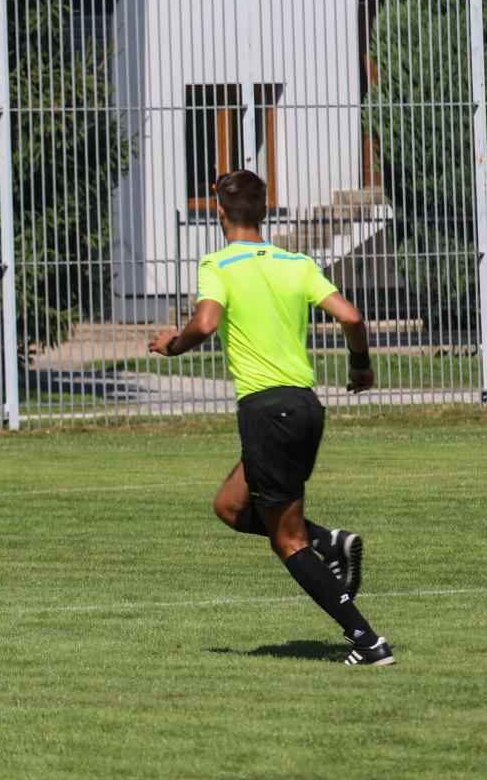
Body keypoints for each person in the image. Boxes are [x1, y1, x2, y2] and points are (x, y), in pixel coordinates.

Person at [149, 169, 392, 665]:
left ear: (219, 213)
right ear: (265, 212)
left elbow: (207, 321)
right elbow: (351, 316)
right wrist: (360, 363)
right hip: (305, 407)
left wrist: (173, 345)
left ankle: (367, 641)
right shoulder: (296, 263)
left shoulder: (218, 263)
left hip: (266, 410)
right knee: (230, 506)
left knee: (288, 541)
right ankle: (334, 542)